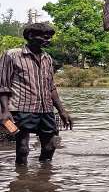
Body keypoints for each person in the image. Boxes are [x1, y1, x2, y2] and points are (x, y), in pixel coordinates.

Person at [0, 22, 73, 165]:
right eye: (45, 37)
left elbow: (51, 88)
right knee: (22, 148)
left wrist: (62, 111)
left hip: (46, 110)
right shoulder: (12, 55)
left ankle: (44, 176)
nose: (48, 40)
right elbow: (3, 86)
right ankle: (21, 179)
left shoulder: (48, 59)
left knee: (50, 145)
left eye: (50, 37)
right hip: (21, 109)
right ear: (31, 36)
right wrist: (4, 111)